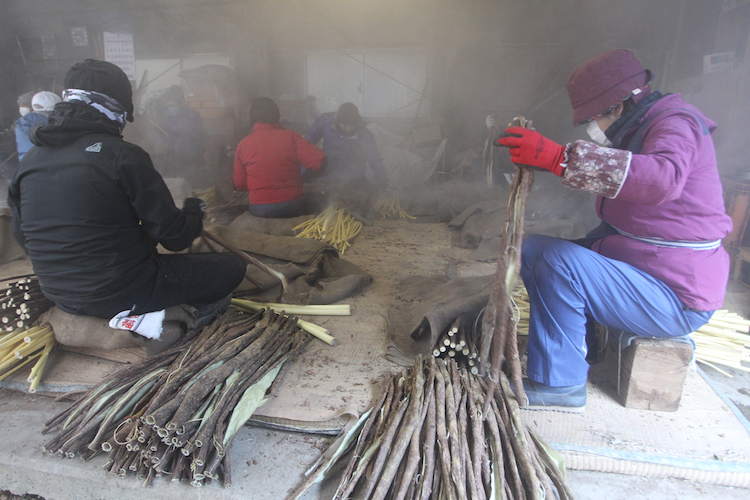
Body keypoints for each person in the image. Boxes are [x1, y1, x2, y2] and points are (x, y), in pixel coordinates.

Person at [496, 49, 732, 412]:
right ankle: (576, 348)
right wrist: (546, 162)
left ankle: (561, 385)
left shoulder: (674, 123)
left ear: (618, 107)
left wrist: (560, 158)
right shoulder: (643, 126)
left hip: (674, 294)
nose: (593, 128)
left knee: (555, 260)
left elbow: (661, 179)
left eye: (593, 119)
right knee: (538, 251)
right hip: (650, 270)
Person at [8, 59, 246, 323]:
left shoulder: (29, 161)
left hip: (59, 294)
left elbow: (22, 235)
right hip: (122, 293)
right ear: (115, 108)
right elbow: (175, 238)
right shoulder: (121, 156)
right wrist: (193, 210)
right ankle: (184, 321)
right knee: (231, 267)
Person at [233, 97, 326, 218]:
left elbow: (240, 184)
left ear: (252, 119)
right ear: (277, 115)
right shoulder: (291, 137)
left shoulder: (243, 144)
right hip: (292, 205)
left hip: (259, 209)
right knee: (319, 202)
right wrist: (306, 178)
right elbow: (320, 161)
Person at [304, 102, 387, 189]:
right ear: (338, 120)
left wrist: (383, 180)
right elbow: (307, 144)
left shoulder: (364, 133)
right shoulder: (325, 122)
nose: (348, 128)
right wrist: (302, 172)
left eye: (352, 125)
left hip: (354, 178)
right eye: (345, 125)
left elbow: (374, 158)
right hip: (327, 173)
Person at [154, 85, 207, 188]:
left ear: (181, 102)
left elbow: (200, 135)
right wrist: (164, 139)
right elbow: (161, 138)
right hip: (173, 157)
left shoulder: (192, 115)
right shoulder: (165, 117)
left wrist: (197, 151)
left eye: (174, 105)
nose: (171, 108)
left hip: (191, 155)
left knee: (191, 182)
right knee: (176, 183)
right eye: (169, 106)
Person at [15, 91, 62, 160]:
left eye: (24, 105)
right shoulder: (59, 123)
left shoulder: (21, 124)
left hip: (27, 166)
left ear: (33, 106)